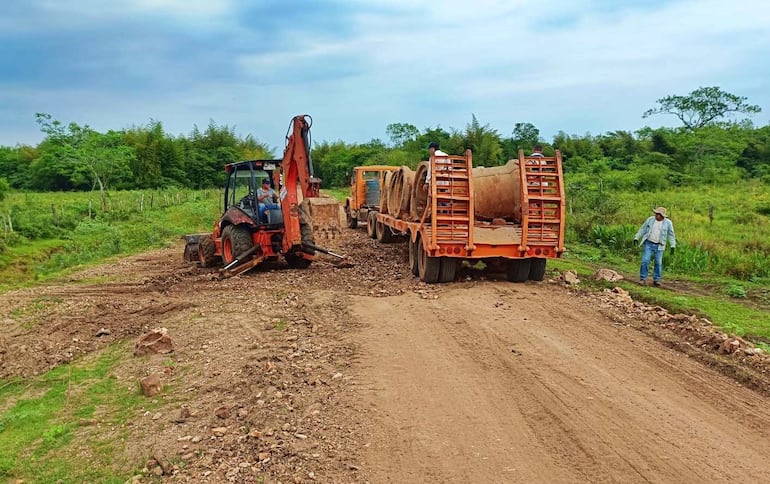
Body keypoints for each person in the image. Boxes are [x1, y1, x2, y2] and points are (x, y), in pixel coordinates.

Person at [634, 206, 676, 287]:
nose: (657, 216)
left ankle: (657, 279)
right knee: (645, 260)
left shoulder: (668, 223)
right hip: (648, 243)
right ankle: (643, 278)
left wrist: (672, 245)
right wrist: (636, 237)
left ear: (662, 216)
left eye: (659, 215)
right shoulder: (650, 220)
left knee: (658, 262)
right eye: (656, 214)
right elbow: (642, 229)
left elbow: (671, 235)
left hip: (660, 245)